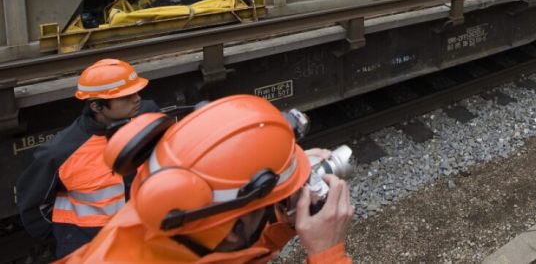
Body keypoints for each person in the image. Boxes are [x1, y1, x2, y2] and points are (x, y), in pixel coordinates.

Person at [57, 94, 354, 263]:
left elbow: (228, 246)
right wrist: (326, 251)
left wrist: (281, 217)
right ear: (234, 231)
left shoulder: (151, 223)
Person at [15, 58, 157, 257]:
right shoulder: (61, 152)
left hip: (139, 236)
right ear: (97, 107)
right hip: (89, 247)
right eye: (126, 97)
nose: (137, 99)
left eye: (136, 92)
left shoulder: (147, 116)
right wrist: (66, 237)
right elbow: (33, 205)